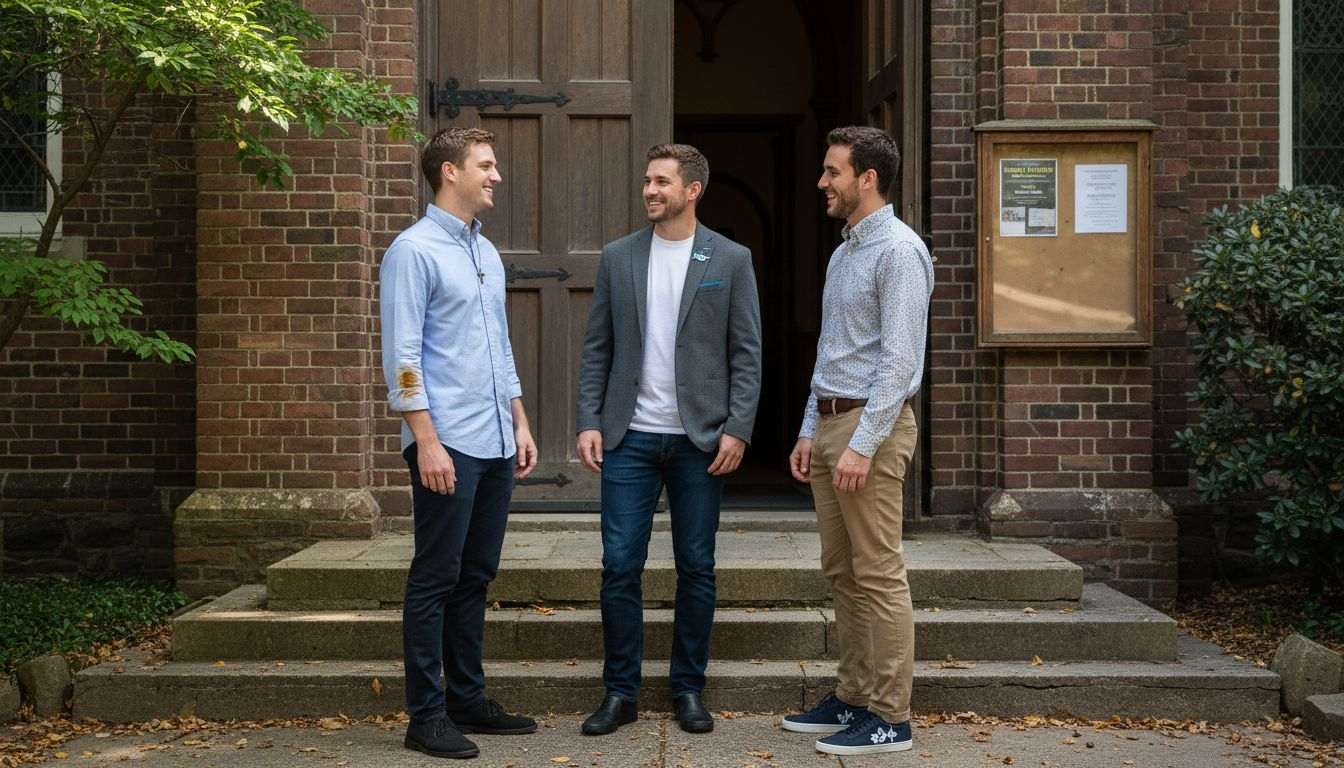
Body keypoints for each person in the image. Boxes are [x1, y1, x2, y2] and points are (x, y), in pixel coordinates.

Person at [575, 143, 762, 736]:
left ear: (693, 190)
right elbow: (598, 348)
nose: (650, 191)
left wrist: (737, 428)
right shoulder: (619, 256)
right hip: (628, 436)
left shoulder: (730, 258)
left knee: (697, 567)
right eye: (647, 181)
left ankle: (688, 689)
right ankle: (619, 693)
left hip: (699, 440)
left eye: (661, 182)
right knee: (618, 566)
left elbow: (746, 353)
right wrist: (588, 419)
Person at [380, 127, 540, 760]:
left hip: (495, 438)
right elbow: (404, 359)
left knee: (475, 575)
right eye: (486, 165)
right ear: (450, 172)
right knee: (436, 576)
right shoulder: (412, 251)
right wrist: (426, 440)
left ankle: (468, 699)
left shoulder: (485, 251)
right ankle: (426, 715)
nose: (496, 175)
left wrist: (519, 421)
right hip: (446, 443)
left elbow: (499, 345)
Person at [782, 126, 934, 756]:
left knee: (878, 573)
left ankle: (891, 717)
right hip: (830, 423)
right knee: (842, 572)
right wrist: (809, 429)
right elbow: (832, 351)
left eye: (832, 172)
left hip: (871, 427)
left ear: (867, 179)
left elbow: (899, 365)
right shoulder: (844, 252)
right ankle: (853, 696)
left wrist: (863, 444)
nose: (822, 181)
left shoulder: (900, 251)